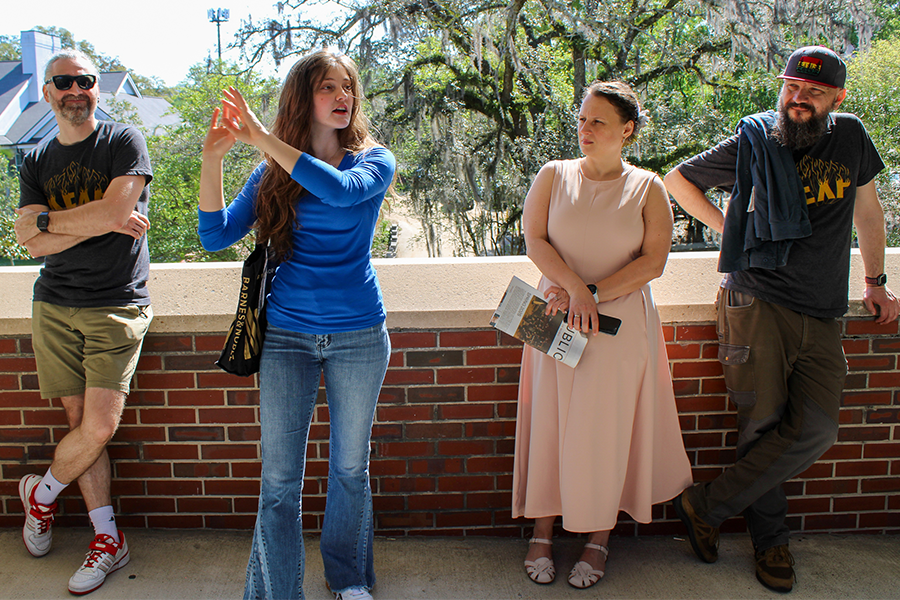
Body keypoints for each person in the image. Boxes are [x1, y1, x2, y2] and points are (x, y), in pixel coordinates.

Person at [664, 45, 899, 594]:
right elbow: (677, 181)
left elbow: (868, 211)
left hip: (823, 308)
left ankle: (705, 503)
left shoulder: (852, 138)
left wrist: (875, 281)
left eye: (814, 93)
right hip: (757, 301)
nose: (798, 100)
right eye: (792, 87)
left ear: (837, 99)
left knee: (817, 427)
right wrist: (731, 230)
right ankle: (771, 543)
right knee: (762, 428)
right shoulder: (754, 138)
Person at [197, 49, 395, 600]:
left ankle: (349, 580)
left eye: (347, 87)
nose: (341, 97)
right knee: (280, 481)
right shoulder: (270, 172)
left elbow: (339, 190)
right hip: (285, 337)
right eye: (327, 88)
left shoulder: (375, 160)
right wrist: (213, 162)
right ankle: (278, 592)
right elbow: (215, 237)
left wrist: (262, 139)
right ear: (303, 98)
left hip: (358, 335)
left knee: (350, 470)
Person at [513, 80, 693, 589]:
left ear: (626, 130)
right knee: (549, 421)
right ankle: (542, 533)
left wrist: (593, 292)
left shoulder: (649, 187)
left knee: (604, 432)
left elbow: (654, 263)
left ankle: (597, 540)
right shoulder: (552, 175)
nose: (585, 129)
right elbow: (535, 239)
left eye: (598, 122)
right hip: (553, 317)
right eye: (582, 119)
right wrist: (573, 288)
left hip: (620, 329)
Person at [13, 49, 153, 595]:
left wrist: (52, 221)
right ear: (47, 92)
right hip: (54, 304)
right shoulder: (35, 159)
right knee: (82, 430)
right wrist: (103, 221)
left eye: (85, 81)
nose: (75, 90)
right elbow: (27, 243)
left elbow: (50, 227)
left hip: (115, 303)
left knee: (97, 427)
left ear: (98, 88)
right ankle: (107, 539)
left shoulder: (124, 141)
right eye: (63, 82)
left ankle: (40, 495)